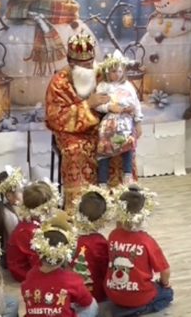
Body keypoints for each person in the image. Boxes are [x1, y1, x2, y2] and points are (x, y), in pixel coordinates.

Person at [45, 32, 137, 211]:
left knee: (123, 141)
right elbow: (56, 118)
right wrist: (88, 105)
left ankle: (121, 202)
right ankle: (83, 208)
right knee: (76, 150)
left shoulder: (102, 74)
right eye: (84, 65)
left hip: (104, 126)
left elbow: (119, 94)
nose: (90, 68)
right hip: (72, 133)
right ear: (72, 64)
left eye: (91, 63)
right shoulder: (59, 83)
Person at [105, 185, 173, 316]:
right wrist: (164, 284)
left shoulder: (113, 235)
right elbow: (165, 271)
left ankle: (123, 308)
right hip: (139, 296)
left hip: (113, 295)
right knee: (168, 293)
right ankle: (137, 310)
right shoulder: (147, 241)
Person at [22, 211, 98, 317]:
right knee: (93, 305)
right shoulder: (72, 280)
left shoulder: (30, 276)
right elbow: (87, 301)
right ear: (66, 256)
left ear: (38, 251)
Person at [95, 50, 143, 187]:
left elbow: (136, 104)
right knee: (104, 148)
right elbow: (98, 105)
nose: (117, 74)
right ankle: (102, 182)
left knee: (127, 143)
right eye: (114, 71)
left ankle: (127, 175)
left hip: (125, 121)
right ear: (107, 71)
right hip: (109, 122)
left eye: (120, 71)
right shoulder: (103, 86)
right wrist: (109, 107)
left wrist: (138, 121)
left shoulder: (128, 85)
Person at [7, 180, 60, 282]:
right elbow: (39, 263)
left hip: (31, 263)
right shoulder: (28, 231)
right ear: (44, 209)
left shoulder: (32, 221)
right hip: (23, 272)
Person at [70, 186, 113, 305]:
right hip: (96, 296)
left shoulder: (72, 239)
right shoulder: (101, 243)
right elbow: (107, 272)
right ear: (104, 218)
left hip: (72, 294)